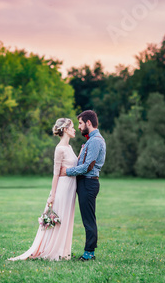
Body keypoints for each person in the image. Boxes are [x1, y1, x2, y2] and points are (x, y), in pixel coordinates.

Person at [8, 118, 78, 261]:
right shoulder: (59, 149)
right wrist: (52, 195)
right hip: (62, 189)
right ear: (65, 129)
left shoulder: (70, 148)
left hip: (71, 189)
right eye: (72, 127)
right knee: (60, 219)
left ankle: (63, 251)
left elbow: (73, 166)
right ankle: (53, 251)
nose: (74, 129)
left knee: (67, 219)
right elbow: (56, 173)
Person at [60, 110, 106, 262]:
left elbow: (87, 167)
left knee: (88, 220)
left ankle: (89, 253)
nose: (79, 127)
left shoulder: (95, 141)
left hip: (88, 182)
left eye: (80, 123)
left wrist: (67, 171)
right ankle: (86, 251)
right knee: (87, 218)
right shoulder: (91, 140)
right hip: (85, 182)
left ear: (88, 123)